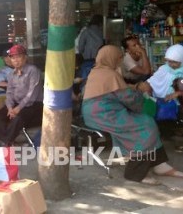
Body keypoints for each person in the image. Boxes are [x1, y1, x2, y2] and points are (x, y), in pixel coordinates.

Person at [82, 45, 183, 185]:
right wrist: (142, 99)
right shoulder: (110, 75)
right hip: (104, 115)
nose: (120, 61)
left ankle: (160, 165)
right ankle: (135, 173)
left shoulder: (97, 71)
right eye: (119, 58)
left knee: (147, 122)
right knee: (145, 126)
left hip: (97, 113)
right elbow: (129, 98)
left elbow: (118, 93)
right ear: (111, 58)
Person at [0, 45, 43, 145]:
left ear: (25, 57)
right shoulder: (11, 74)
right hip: (17, 105)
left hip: (34, 106)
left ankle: (5, 142)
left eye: (18, 57)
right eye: (12, 57)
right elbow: (9, 93)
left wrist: (18, 108)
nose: (15, 60)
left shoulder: (33, 71)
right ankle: (1, 141)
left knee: (18, 118)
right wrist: (10, 108)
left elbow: (31, 95)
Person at [78, 14, 104, 83]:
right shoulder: (102, 32)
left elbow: (80, 47)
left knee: (86, 80)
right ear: (101, 23)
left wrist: (83, 53)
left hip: (87, 60)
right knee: (98, 80)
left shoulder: (86, 31)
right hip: (100, 60)